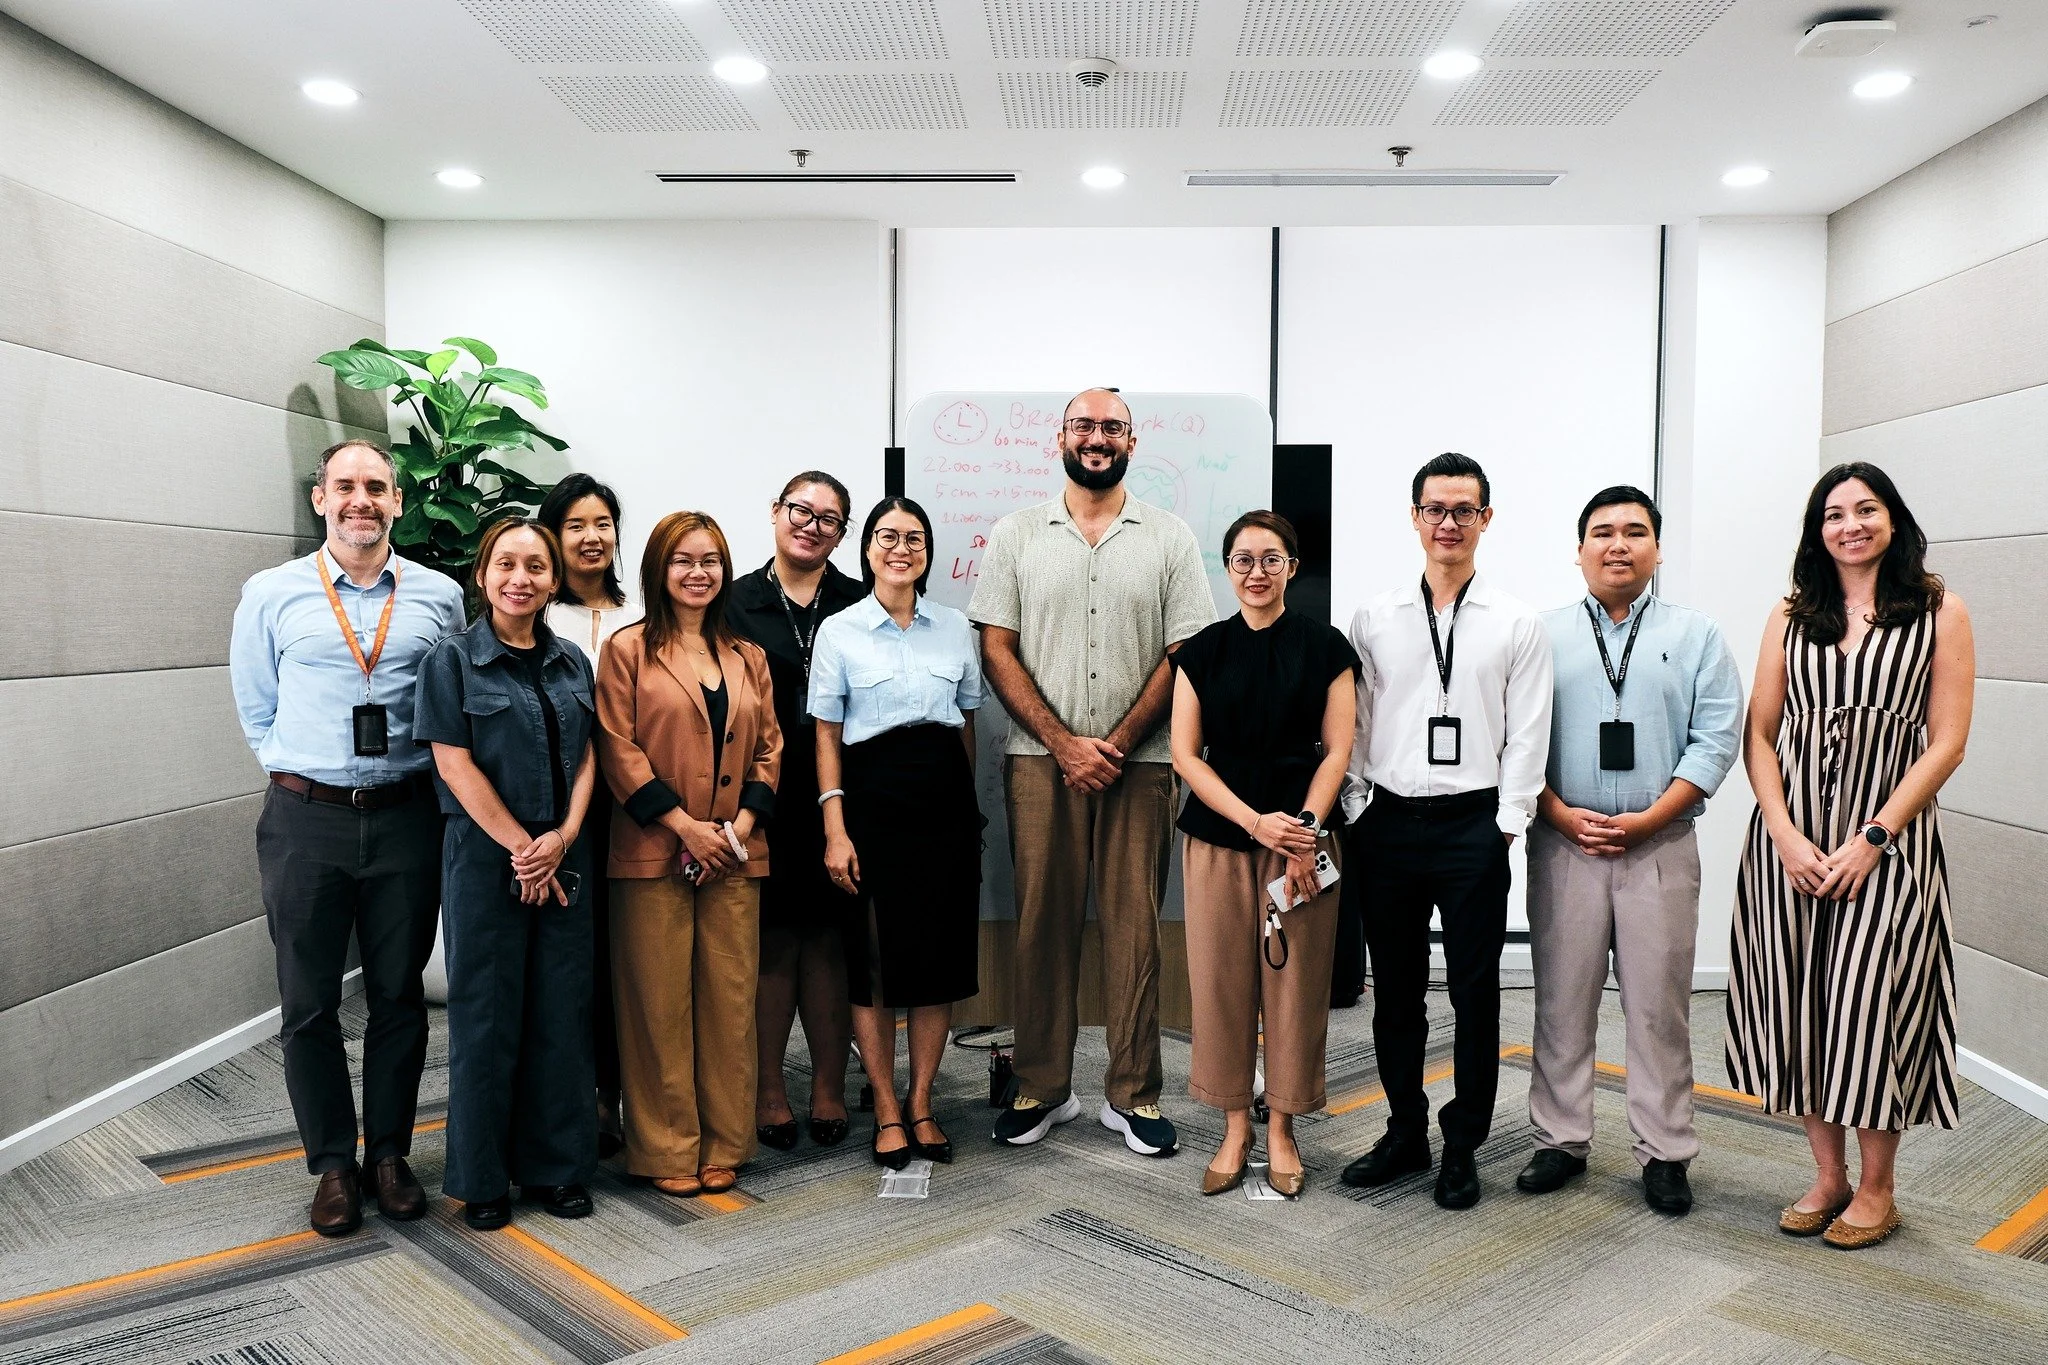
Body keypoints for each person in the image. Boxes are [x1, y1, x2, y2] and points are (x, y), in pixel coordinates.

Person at [1725, 462, 1972, 1250]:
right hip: (1791, 845)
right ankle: (1826, 1175)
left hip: (1887, 846)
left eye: (1866, 509)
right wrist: (1784, 834)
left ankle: (1877, 1187)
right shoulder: (1793, 615)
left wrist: (1873, 837)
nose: (1851, 524)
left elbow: (1948, 742)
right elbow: (1758, 735)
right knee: (1803, 1003)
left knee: (1872, 1005)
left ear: (1893, 519)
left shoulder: (1940, 610)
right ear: (1817, 530)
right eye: (1834, 514)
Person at [229, 438, 466, 1236]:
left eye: (376, 486)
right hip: (307, 819)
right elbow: (256, 707)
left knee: (399, 995)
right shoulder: (271, 593)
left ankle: (389, 1155)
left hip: (406, 815)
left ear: (398, 501)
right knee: (308, 1002)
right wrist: (308, 776)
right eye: (346, 486)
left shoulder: (437, 595)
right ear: (320, 498)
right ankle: (332, 1164)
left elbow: (451, 704)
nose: (361, 499)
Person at [969, 387, 1214, 1158]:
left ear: (1131, 441)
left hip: (1140, 765)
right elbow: (996, 647)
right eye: (1085, 424)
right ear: (1061, 437)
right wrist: (1066, 742)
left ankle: (1134, 1093)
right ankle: (1043, 1084)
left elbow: (1186, 652)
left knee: (1135, 928)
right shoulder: (1016, 535)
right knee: (1041, 920)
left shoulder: (1170, 537)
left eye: (1112, 426)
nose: (1098, 436)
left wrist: (1112, 740)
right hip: (1041, 763)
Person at [1517, 487, 1742, 1216]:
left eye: (1635, 532)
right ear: (1579, 548)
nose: (1619, 544)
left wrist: (1650, 818)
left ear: (1658, 548)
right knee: (1561, 999)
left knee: (1658, 1006)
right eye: (1603, 532)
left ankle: (1666, 1151)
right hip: (1564, 843)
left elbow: (1716, 738)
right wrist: (1553, 810)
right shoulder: (1540, 633)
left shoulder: (1698, 633)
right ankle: (1559, 1137)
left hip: (1661, 846)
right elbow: (1516, 741)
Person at [1338, 452, 1552, 1210]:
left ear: (1485, 519)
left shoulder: (1517, 621)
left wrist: (1506, 822)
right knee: (1394, 993)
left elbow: (1528, 732)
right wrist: (1358, 805)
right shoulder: (1374, 615)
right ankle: (1405, 1132)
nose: (1449, 522)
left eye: (1464, 509)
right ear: (1415, 516)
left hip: (1473, 828)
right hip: (1389, 822)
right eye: (1436, 507)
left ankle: (1462, 1145)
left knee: (1475, 992)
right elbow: (1356, 721)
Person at [415, 519, 599, 1229]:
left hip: (564, 859)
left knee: (561, 1013)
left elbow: (589, 758)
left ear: (554, 579)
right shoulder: (452, 660)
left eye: (536, 566)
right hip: (486, 863)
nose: (520, 577)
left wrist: (563, 837)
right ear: (483, 573)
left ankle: (557, 1168)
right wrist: (525, 847)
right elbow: (451, 762)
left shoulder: (573, 662)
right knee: (486, 1019)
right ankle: (483, 1177)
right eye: (506, 564)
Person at [594, 511, 783, 1197]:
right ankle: (668, 1146)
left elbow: (770, 748)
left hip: (735, 854)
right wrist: (684, 827)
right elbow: (618, 747)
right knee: (657, 1004)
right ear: (658, 569)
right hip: (652, 851)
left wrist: (730, 833)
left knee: (730, 1001)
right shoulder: (627, 650)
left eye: (711, 560)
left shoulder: (747, 654)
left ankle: (725, 1142)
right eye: (683, 559)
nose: (698, 572)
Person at [1169, 512, 1357, 1198]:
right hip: (1222, 838)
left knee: (1296, 985)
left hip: (1304, 846)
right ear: (1228, 569)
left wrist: (1302, 830)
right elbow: (1188, 756)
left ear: (1292, 568)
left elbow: (1338, 748)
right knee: (1220, 982)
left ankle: (1281, 1124)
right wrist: (1256, 823)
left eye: (1271, 559)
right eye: (1244, 560)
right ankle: (1232, 1124)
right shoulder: (1202, 651)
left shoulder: (1326, 647)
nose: (1257, 572)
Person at [811, 497, 986, 1169]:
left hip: (942, 800)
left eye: (913, 537)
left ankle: (922, 1102)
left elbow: (966, 721)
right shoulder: (841, 629)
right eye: (887, 536)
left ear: (927, 551)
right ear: (868, 548)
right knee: (878, 965)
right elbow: (827, 733)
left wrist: (967, 809)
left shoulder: (954, 627)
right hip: (870, 800)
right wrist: (835, 825)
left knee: (936, 966)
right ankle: (885, 1107)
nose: (900, 547)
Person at [727, 473, 865, 1152]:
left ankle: (830, 1088)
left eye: (829, 518)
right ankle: (769, 1089)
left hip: (845, 797)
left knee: (833, 943)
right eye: (800, 511)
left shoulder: (860, 599)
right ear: (775, 513)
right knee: (774, 941)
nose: (812, 525)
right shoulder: (733, 601)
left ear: (842, 532)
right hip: (764, 798)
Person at [538, 473, 642, 1158]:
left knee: (625, 959)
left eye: (602, 522)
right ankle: (567, 1100)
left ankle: (618, 1096)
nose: (591, 535)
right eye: (576, 523)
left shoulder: (644, 616)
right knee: (569, 961)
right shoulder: (534, 615)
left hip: (638, 810)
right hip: (560, 811)